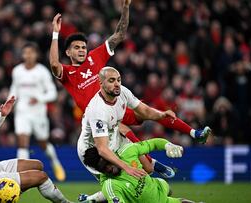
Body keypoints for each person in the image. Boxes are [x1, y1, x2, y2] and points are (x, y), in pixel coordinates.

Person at [49, 0, 211, 179]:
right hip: (102, 115)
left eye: (83, 47)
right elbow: (54, 64)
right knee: (127, 135)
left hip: (116, 103)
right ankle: (153, 165)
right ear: (68, 53)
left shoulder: (95, 57)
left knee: (152, 112)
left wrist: (125, 8)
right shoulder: (68, 73)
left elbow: (119, 34)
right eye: (76, 48)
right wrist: (55, 34)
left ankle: (194, 133)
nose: (81, 50)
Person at [77, 67, 180, 202]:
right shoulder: (98, 111)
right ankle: (92, 200)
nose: (117, 84)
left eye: (118, 80)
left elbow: (145, 111)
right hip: (94, 152)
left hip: (113, 137)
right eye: (112, 80)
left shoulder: (122, 92)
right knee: (117, 184)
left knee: (147, 169)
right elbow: (102, 149)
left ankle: (89, 199)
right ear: (101, 83)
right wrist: (127, 168)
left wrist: (161, 114)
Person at [9, 42, 66, 181]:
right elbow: (14, 90)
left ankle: (55, 161)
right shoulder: (17, 71)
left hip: (38, 113)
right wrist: (9, 103)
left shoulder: (42, 71)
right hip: (22, 112)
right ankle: (22, 176)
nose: (28, 55)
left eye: (31, 52)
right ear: (22, 55)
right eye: (25, 52)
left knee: (43, 143)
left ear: (36, 55)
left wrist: (39, 98)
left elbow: (52, 93)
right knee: (22, 142)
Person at [83, 138, 197, 203]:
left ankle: (88, 199)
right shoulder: (109, 185)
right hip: (160, 200)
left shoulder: (127, 151)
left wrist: (168, 145)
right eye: (103, 169)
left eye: (107, 163)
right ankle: (89, 199)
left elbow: (153, 143)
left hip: (157, 186)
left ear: (109, 155)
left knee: (167, 187)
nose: (108, 168)